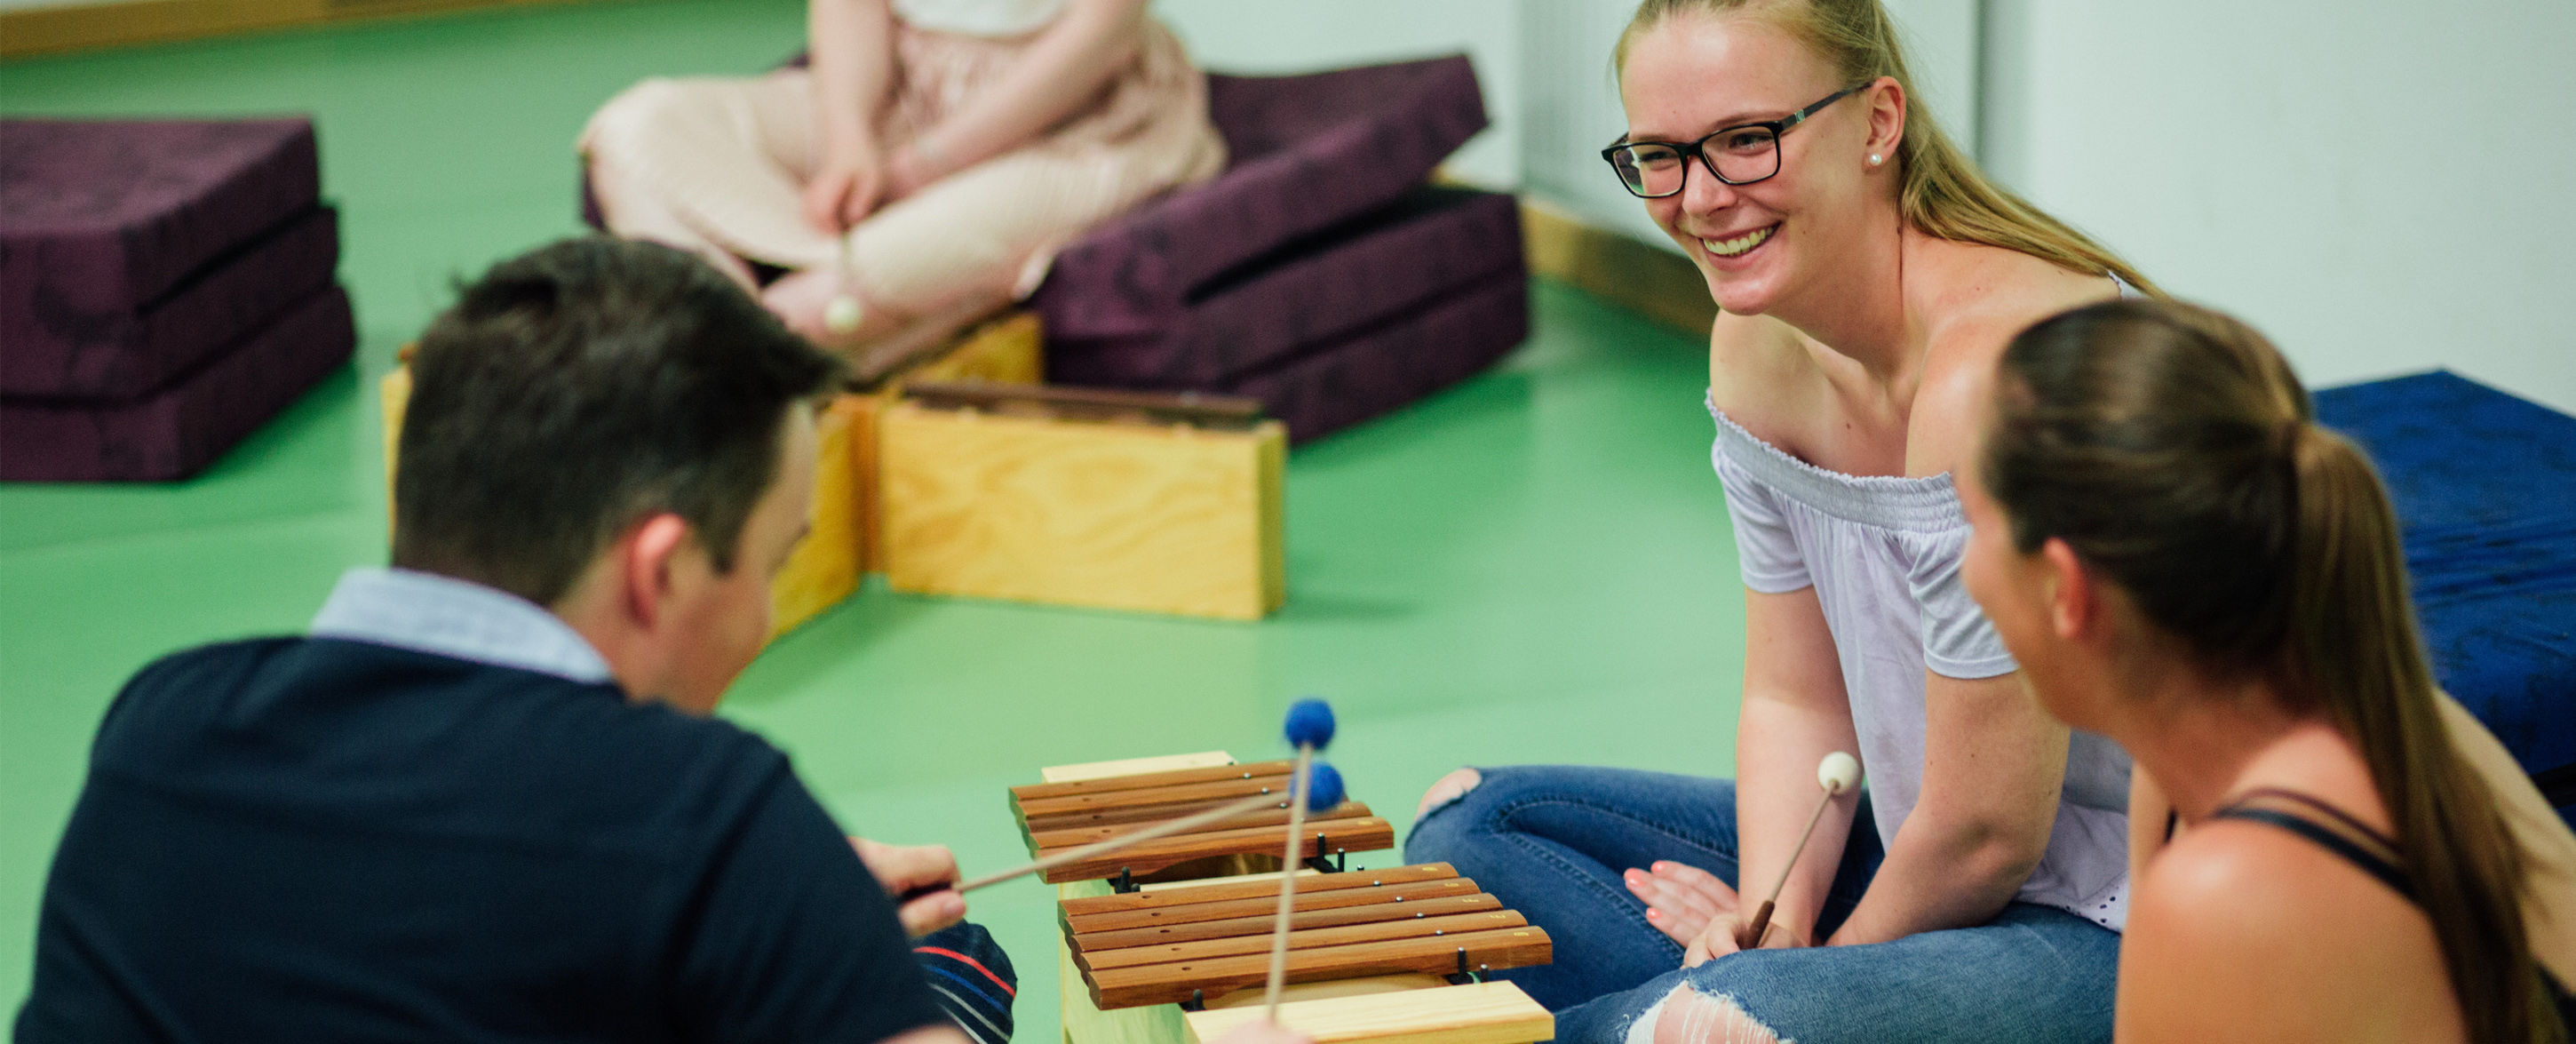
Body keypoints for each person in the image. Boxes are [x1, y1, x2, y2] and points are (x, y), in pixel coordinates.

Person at [8, 238, 1308, 1044]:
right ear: (664, 565)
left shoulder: (161, 726)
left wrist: (765, 916)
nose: (761, 613)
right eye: (777, 557)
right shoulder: (708, 814)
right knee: (958, 955)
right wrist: (770, 896)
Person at [1402, 1, 2160, 1040]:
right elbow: (1793, 697)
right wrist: (1770, 914)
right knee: (1474, 830)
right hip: (1917, 861)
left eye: (1746, 141)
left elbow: (1990, 831)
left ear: (1876, 122)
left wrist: (1802, 977)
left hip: (2126, 918)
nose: (1700, 198)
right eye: (1658, 156)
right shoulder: (1753, 344)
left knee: (1737, 1021)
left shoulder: (1997, 370)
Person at [1959, 298, 2576, 1043]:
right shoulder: (2303, 727)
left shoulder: (2233, 892)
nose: (1964, 572)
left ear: (2066, 588)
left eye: (1973, 521)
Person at [581, 0, 1224, 362]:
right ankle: (733, 335)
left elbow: (1099, 36)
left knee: (808, 312)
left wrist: (928, 166)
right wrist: (850, 137)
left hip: (1077, 123)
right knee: (633, 130)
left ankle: (750, 344)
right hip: (902, 88)